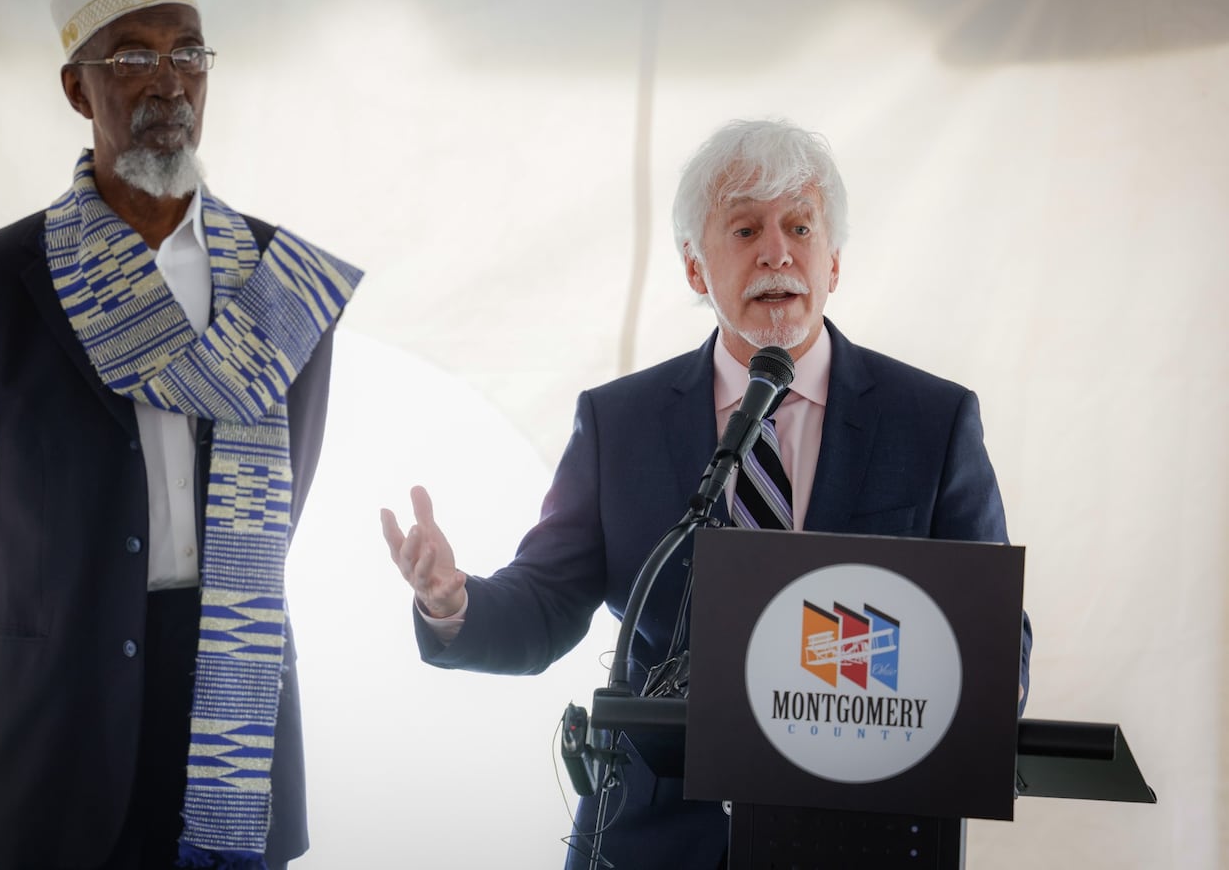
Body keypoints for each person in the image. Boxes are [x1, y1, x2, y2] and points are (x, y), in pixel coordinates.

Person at [381, 118, 1031, 869]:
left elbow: (990, 650)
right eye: (745, 228)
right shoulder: (617, 421)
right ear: (696, 268)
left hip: (863, 835)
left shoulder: (931, 421)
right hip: (655, 839)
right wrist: (452, 603)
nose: (776, 252)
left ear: (833, 261)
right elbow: (548, 601)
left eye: (798, 226)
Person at [0, 0, 361, 870]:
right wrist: (45, 637)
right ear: (79, 92)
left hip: (231, 678)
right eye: (132, 58)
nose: (168, 82)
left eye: (188, 54)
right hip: (52, 703)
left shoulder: (281, 282)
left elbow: (288, 494)